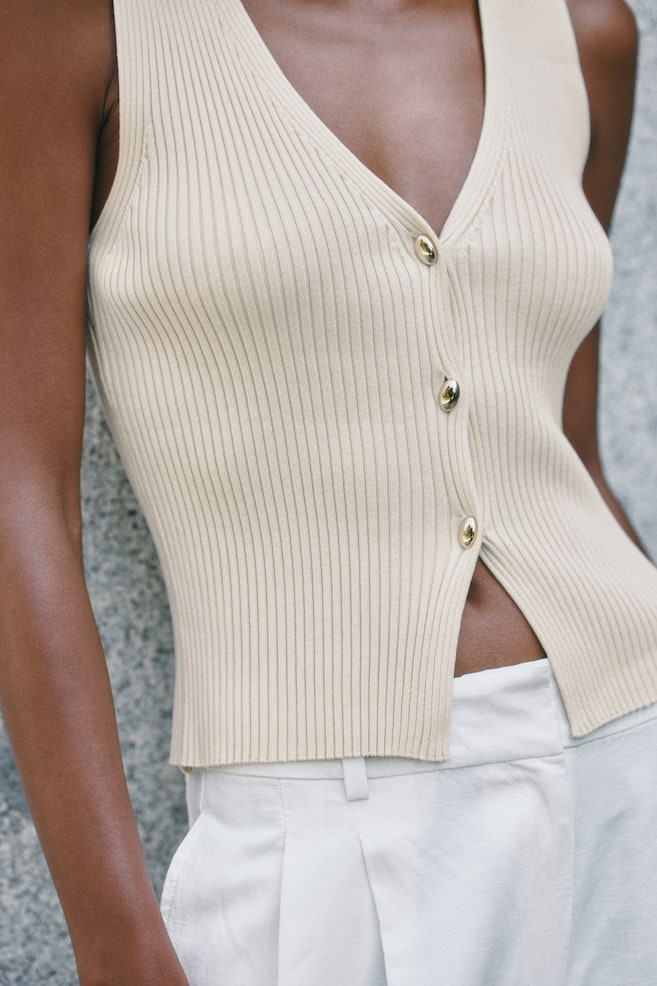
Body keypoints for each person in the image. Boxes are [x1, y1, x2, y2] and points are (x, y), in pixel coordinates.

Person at [1, 0, 657, 983]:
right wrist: (115, 938)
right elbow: (19, 481)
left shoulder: (581, 31)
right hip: (315, 812)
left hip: (631, 762)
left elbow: (566, 447)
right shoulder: (85, 24)